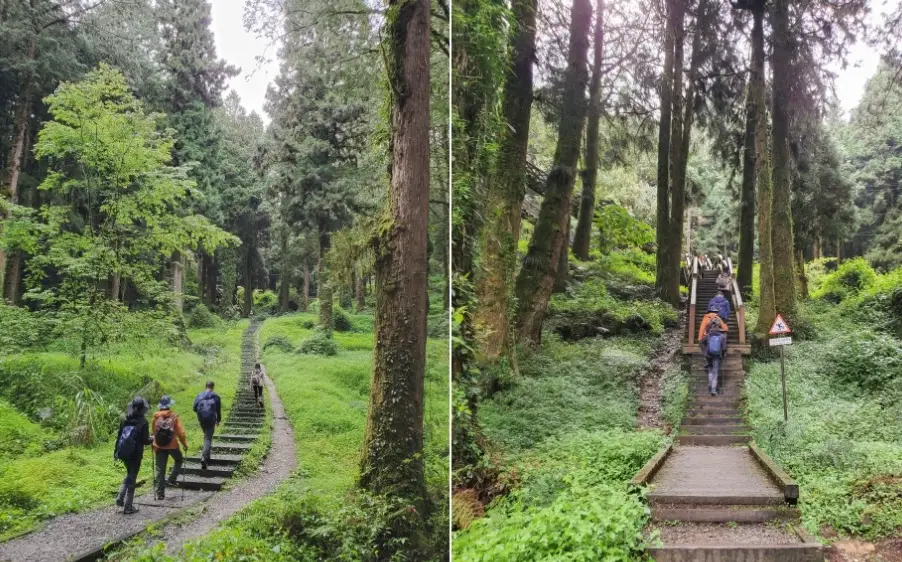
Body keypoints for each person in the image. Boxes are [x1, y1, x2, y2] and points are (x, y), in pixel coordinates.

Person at [113, 397, 153, 515]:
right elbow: (145, 440)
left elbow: (119, 436)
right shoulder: (143, 422)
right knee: (132, 476)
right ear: (143, 409)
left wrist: (116, 451)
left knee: (130, 474)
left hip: (124, 452)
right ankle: (126, 503)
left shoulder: (125, 419)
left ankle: (123, 499)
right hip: (135, 454)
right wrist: (152, 438)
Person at [152, 395, 188, 500]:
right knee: (179, 460)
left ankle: (160, 493)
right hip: (172, 445)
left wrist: (154, 443)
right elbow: (181, 433)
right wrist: (184, 444)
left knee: (160, 469)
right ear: (169, 405)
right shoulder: (174, 417)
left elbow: (154, 432)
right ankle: (172, 479)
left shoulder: (156, 417)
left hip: (159, 446)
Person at [193, 381, 221, 471]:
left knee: (206, 436)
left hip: (202, 419)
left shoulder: (199, 395)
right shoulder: (216, 397)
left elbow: (194, 408)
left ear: (206, 386)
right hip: (211, 419)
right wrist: (218, 420)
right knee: (208, 438)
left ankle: (206, 456)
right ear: (213, 387)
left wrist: (202, 414)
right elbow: (218, 410)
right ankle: (204, 458)